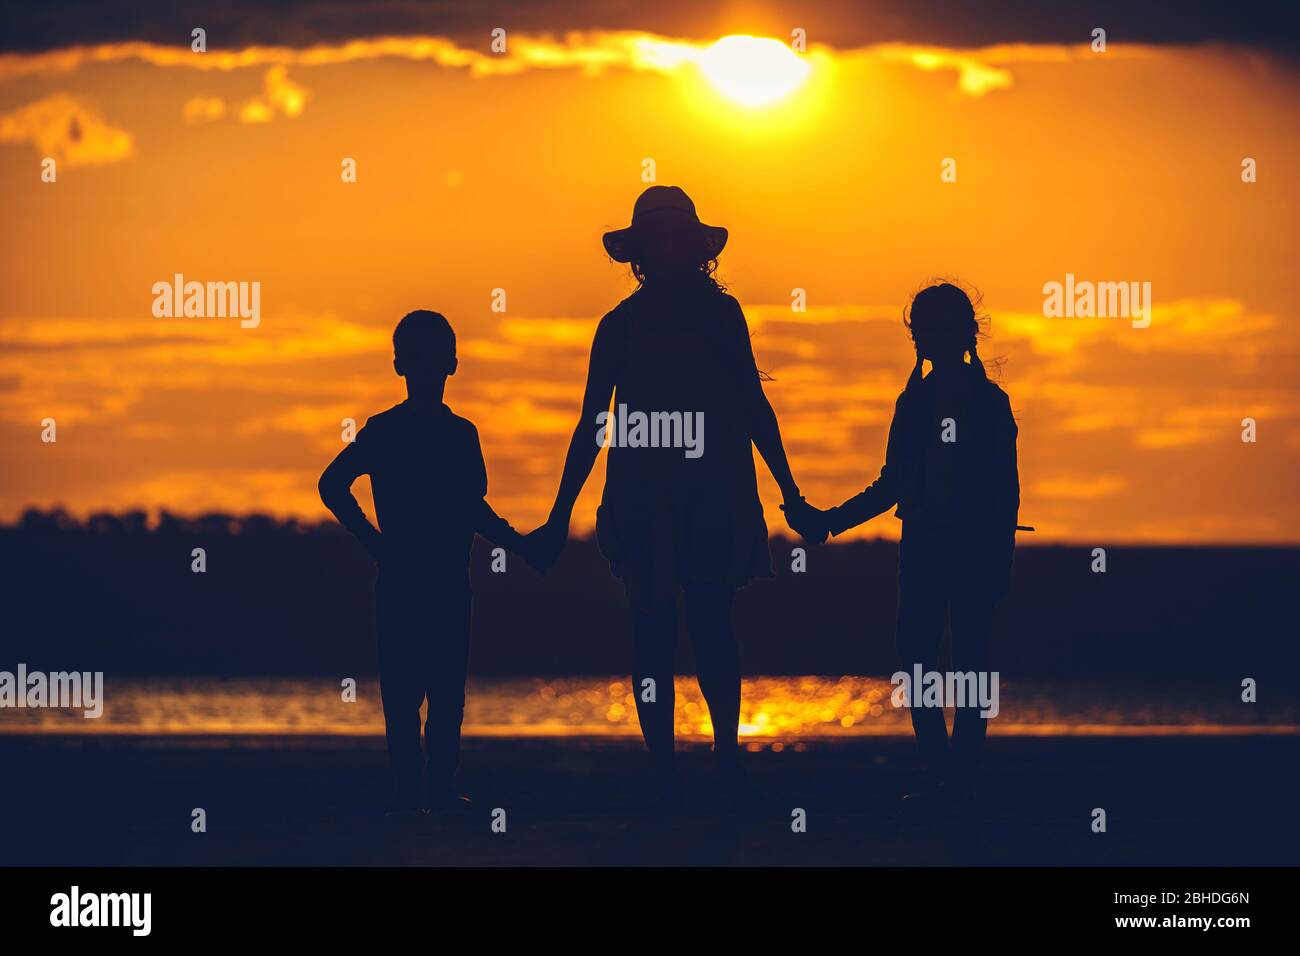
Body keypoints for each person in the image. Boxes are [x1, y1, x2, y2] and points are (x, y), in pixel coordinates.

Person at [529, 185, 817, 810]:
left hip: (712, 496)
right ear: (644, 254)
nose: (668, 253)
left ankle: (724, 762)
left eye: (675, 242)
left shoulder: (720, 317)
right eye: (659, 243)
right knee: (653, 634)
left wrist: (790, 490)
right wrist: (558, 516)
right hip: (644, 501)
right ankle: (664, 768)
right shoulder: (619, 327)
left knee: (713, 629)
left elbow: (751, 404)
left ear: (692, 250)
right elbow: (592, 426)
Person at [788, 282, 1019, 812]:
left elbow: (899, 485)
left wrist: (829, 522)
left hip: (940, 549)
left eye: (933, 327)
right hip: (951, 548)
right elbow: (998, 492)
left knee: (932, 663)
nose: (928, 337)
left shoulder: (944, 401)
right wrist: (831, 521)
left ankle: (950, 780)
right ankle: (954, 779)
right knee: (958, 664)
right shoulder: (956, 400)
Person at [319, 309, 536, 816]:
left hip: (418, 581)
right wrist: (374, 543)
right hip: (425, 583)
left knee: (421, 697)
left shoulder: (423, 433)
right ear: (450, 365)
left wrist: (375, 544)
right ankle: (427, 792)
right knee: (431, 696)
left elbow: (470, 509)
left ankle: (424, 793)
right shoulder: (442, 434)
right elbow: (473, 509)